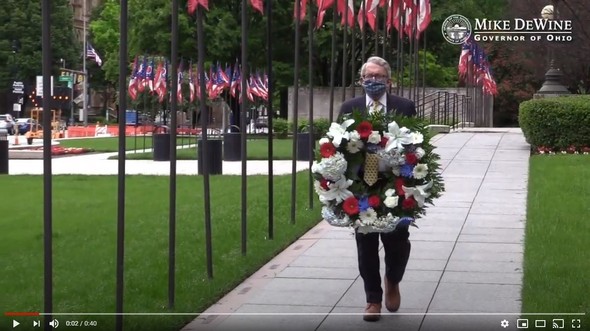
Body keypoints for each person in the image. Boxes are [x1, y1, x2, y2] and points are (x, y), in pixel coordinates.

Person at [339, 56, 416, 322]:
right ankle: (373, 299)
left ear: (389, 80)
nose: (373, 81)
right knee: (366, 244)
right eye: (367, 77)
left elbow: (416, 146)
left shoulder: (404, 107)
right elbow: (339, 148)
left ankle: (393, 279)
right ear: (361, 81)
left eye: (378, 77)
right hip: (362, 184)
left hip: (395, 180)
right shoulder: (349, 108)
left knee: (397, 242)